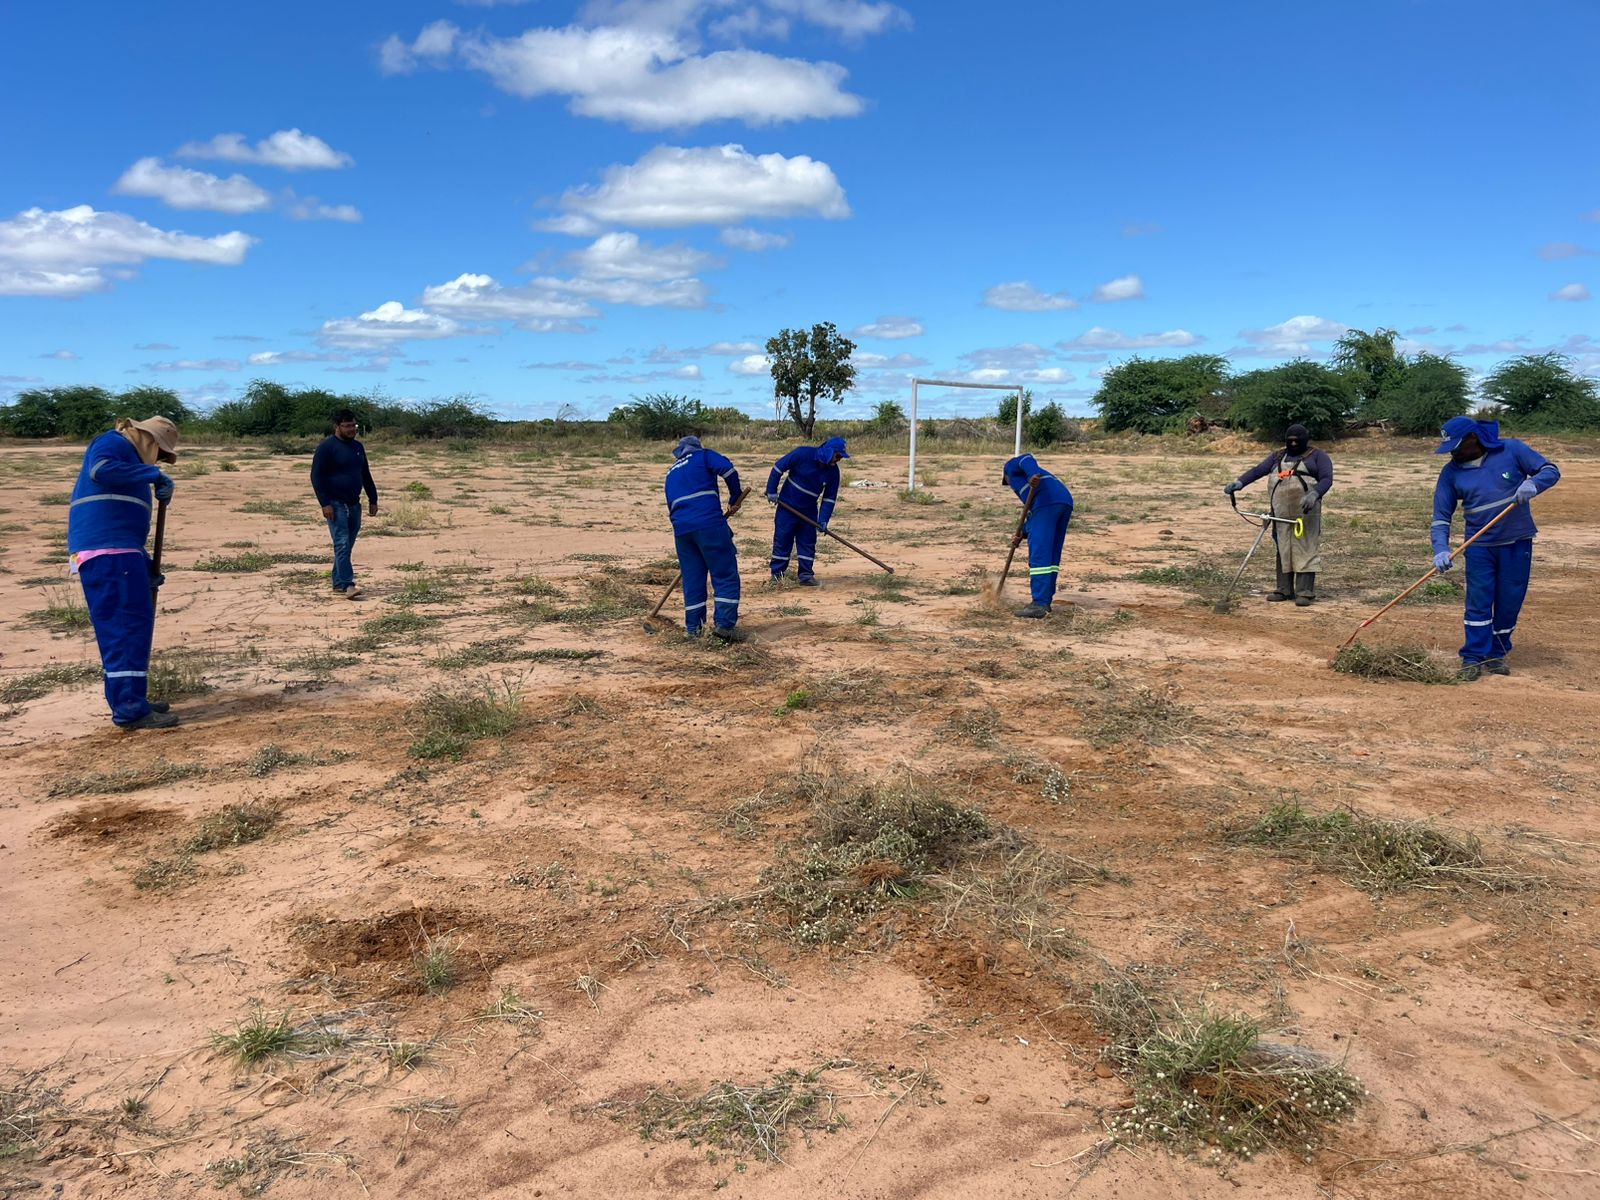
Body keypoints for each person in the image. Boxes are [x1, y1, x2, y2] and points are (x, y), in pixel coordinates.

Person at [66, 416, 181, 730]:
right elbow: (100, 470)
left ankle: (133, 698)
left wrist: (145, 567)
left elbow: (119, 524)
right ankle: (129, 708)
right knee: (124, 629)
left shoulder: (129, 459)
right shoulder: (113, 442)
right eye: (160, 454)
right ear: (150, 439)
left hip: (118, 551)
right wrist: (151, 474)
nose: (159, 461)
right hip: (108, 553)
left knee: (132, 627)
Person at [1429, 416, 1559, 681]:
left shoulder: (1512, 450)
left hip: (1516, 542)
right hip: (1479, 546)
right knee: (1478, 602)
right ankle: (1472, 656)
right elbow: (1441, 517)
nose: (1453, 452)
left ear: (1473, 439)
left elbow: (1550, 470)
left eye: (1456, 446)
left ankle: (1496, 654)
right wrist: (1440, 548)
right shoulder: (1451, 472)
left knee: (1509, 602)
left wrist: (1533, 484)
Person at [1223, 423, 1332, 606]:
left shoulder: (1318, 456)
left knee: (1305, 546)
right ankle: (1284, 589)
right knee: (1283, 546)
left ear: (1306, 440)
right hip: (1280, 510)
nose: (1294, 444)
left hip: (1306, 512)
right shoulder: (1278, 456)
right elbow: (1258, 470)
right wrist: (1240, 483)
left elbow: (1327, 478)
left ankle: (1304, 592)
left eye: (1298, 441)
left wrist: (1314, 494)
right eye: (1290, 441)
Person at [665, 436, 745, 641]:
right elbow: (728, 470)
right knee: (725, 573)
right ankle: (725, 626)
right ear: (696, 447)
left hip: (682, 531)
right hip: (709, 523)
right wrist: (735, 497)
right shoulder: (704, 456)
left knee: (692, 578)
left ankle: (694, 629)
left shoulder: (671, 472)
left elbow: (670, 505)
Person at [310, 409, 378, 599]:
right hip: (335, 503)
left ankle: (338, 582)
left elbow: (365, 474)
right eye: (347, 426)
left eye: (353, 425)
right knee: (341, 543)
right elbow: (316, 476)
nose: (352, 429)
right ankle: (348, 585)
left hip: (354, 504)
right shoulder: (327, 447)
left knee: (347, 544)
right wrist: (325, 503)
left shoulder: (358, 447)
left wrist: (373, 498)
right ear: (337, 427)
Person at [766, 436, 849, 586]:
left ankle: (806, 575)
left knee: (807, 542)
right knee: (783, 540)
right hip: (787, 507)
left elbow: (829, 498)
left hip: (809, 511)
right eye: (838, 456)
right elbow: (778, 468)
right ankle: (777, 575)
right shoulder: (801, 454)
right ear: (829, 452)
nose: (839, 460)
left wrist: (823, 519)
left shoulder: (833, 473)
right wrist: (771, 490)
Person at [1001, 453, 1074, 619]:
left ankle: (1039, 603)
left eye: (1007, 482)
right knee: (1051, 555)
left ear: (1006, 476)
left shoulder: (1010, 468)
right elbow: (1034, 514)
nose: (1011, 486)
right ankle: (1045, 601)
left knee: (1040, 554)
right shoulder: (1034, 490)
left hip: (1047, 504)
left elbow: (1025, 458)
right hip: (1062, 502)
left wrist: (1033, 474)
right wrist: (1022, 533)